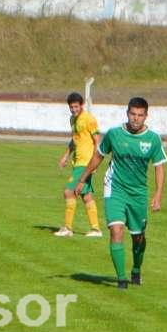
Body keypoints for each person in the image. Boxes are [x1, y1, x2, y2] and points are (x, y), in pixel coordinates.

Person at [72, 97, 166, 288]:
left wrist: (158, 194)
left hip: (138, 193)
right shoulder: (114, 134)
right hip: (115, 189)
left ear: (146, 116)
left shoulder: (153, 139)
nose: (136, 118)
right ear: (127, 113)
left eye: (140, 115)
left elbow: (159, 167)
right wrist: (82, 179)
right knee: (116, 230)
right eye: (133, 114)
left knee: (138, 237)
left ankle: (136, 269)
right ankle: (122, 279)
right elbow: (98, 156)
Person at [54, 92, 102, 238]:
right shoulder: (73, 119)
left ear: (82, 105)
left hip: (86, 163)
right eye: (71, 107)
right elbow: (74, 140)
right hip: (78, 162)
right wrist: (65, 156)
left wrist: (95, 163)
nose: (74, 109)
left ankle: (67, 228)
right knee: (85, 195)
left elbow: (97, 141)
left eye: (76, 106)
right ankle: (95, 229)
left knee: (69, 192)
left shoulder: (89, 119)